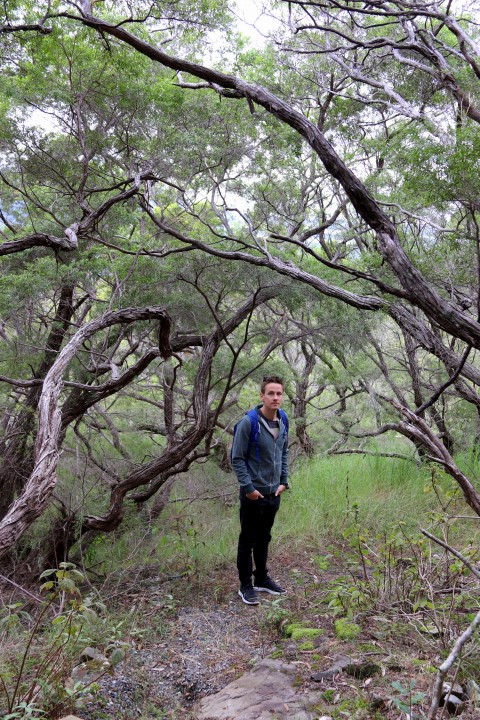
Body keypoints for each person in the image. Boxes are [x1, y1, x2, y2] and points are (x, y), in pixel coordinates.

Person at [231, 375, 289, 605]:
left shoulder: (283, 419)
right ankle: (246, 585)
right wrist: (248, 488)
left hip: (274, 493)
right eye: (271, 393)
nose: (275, 397)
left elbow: (283, 452)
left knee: (264, 538)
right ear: (262, 396)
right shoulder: (249, 423)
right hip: (253, 494)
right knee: (248, 539)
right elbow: (237, 458)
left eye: (279, 393)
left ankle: (262, 579)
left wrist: (284, 481)